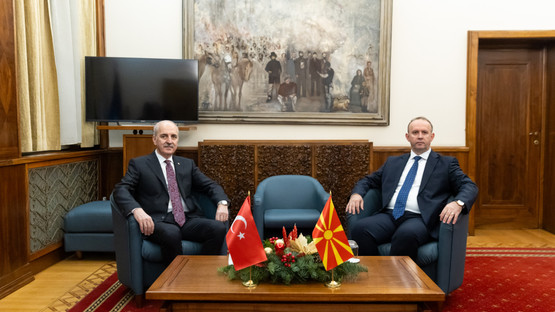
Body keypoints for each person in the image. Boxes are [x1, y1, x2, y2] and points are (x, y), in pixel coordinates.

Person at [346, 117, 478, 262]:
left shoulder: (446, 164)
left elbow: (469, 186)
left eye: (424, 132)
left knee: (406, 234)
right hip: (390, 215)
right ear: (408, 137)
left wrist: (458, 203)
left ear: (431, 136)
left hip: (420, 218)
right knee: (361, 229)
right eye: (415, 132)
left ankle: (397, 282)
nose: (420, 136)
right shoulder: (393, 162)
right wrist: (357, 194)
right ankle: (372, 276)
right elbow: (368, 180)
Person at [113, 120, 230, 265]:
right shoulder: (139, 164)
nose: (169, 141)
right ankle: (176, 279)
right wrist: (137, 210)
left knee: (218, 228)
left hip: (187, 219)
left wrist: (222, 203)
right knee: (172, 233)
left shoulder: (187, 164)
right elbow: (121, 189)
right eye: (164, 136)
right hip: (158, 221)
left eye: (173, 137)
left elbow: (210, 185)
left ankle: (202, 270)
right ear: (154, 139)